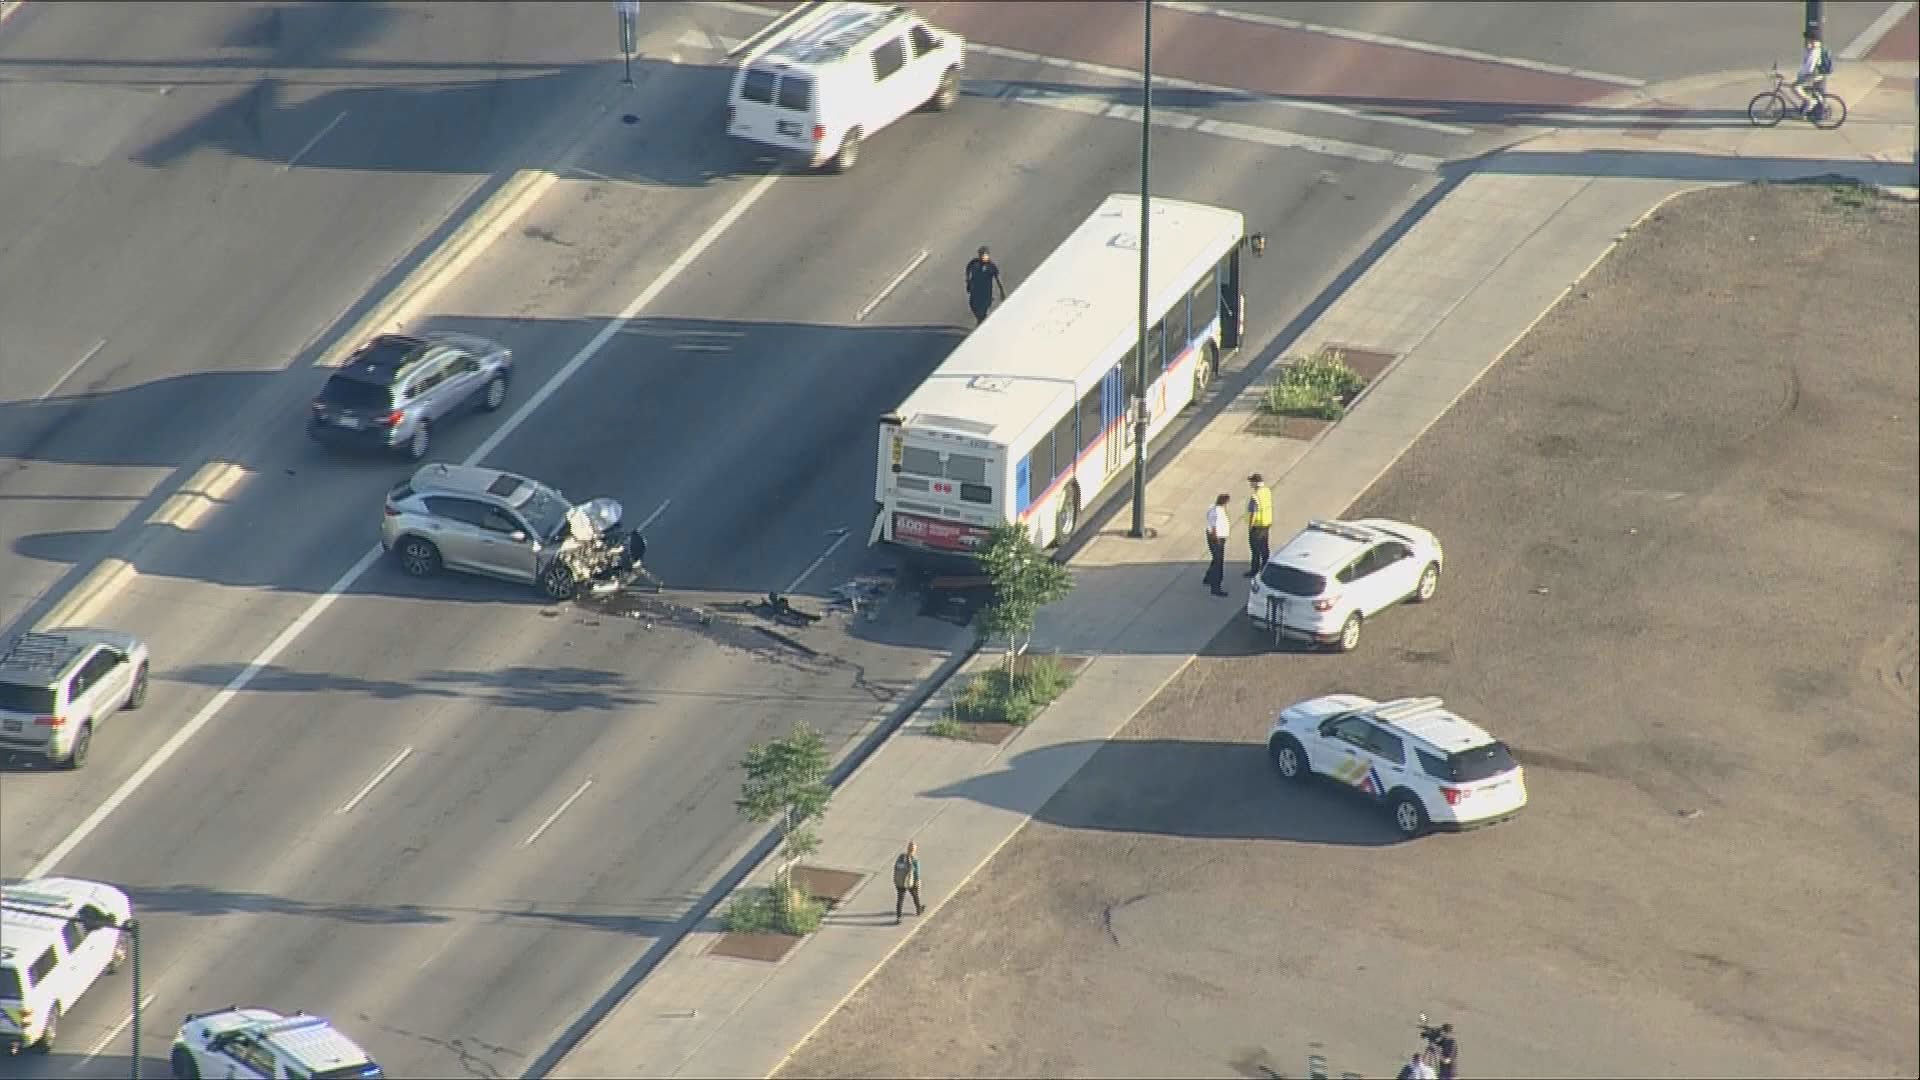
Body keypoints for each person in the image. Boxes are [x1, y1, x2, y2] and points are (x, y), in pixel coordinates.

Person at [965, 245, 1006, 326]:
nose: (983, 256)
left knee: (983, 314)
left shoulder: (991, 266)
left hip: (986, 294)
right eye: (981, 254)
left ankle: (980, 327)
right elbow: (968, 270)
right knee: (974, 307)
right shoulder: (973, 263)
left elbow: (998, 279)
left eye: (985, 255)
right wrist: (968, 281)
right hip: (975, 292)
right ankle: (979, 321)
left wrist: (1002, 291)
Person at [1795, 31, 1832, 115]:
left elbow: (1810, 66)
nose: (1806, 40)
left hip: (1814, 74)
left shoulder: (1815, 50)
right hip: (1815, 74)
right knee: (1805, 89)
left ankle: (1811, 102)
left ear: (1812, 39)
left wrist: (1802, 75)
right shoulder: (1813, 48)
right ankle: (1806, 107)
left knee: (1796, 87)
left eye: (1807, 39)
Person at [1244, 472, 1273, 577]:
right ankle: (1265, 567)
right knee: (1264, 547)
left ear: (1256, 483)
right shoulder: (1266, 491)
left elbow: (1253, 513)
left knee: (1255, 549)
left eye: (1251, 481)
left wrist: (1250, 526)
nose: (1250, 484)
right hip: (1266, 523)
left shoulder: (1255, 496)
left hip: (1257, 526)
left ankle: (1254, 571)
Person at [1203, 493, 1231, 597]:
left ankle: (1208, 578)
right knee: (1218, 563)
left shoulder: (1213, 508)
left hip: (1216, 538)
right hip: (1217, 539)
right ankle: (1216, 587)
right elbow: (1214, 527)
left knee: (1216, 559)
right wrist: (1217, 539)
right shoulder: (1217, 512)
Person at [892, 840, 923, 924]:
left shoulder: (901, 857)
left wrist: (895, 878)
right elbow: (916, 872)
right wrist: (917, 881)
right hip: (910, 881)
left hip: (900, 882)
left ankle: (898, 917)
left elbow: (896, 867)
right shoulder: (915, 860)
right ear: (914, 850)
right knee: (915, 895)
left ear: (907, 848)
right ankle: (918, 909)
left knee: (900, 899)